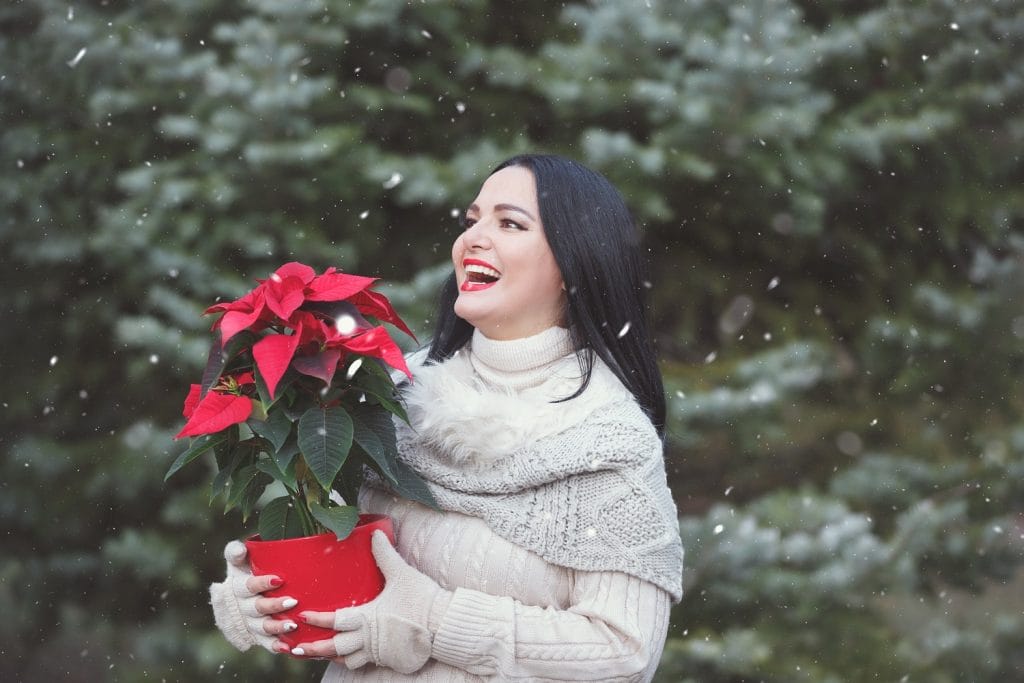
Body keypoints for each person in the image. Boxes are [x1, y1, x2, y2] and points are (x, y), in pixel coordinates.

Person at [209, 154, 685, 681]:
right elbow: (333, 552)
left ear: (576, 262)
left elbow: (624, 653)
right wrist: (265, 597)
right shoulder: (390, 399)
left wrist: (436, 620)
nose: (473, 239)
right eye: (471, 220)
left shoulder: (603, 441)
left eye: (509, 223)